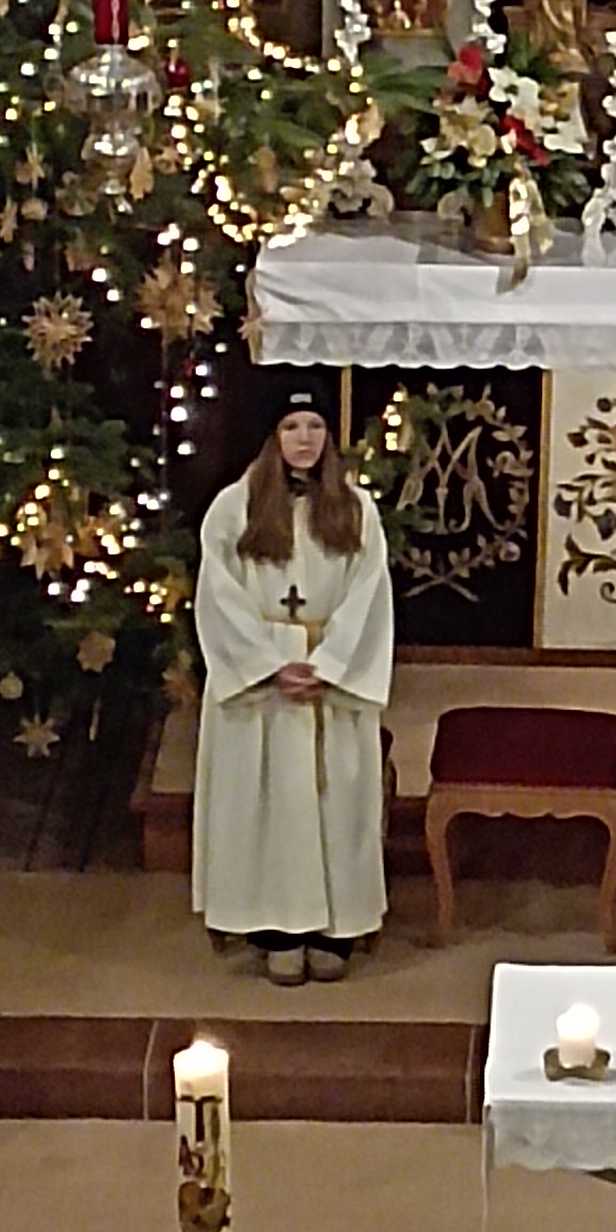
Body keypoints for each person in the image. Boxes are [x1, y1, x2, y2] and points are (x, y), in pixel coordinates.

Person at [192, 386, 395, 986]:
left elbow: (369, 594)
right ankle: (275, 930)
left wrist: (328, 665)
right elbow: (218, 593)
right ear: (271, 437)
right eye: (291, 426)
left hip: (330, 678)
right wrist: (268, 664)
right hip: (263, 684)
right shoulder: (234, 507)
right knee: (270, 807)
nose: (304, 438)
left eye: (314, 425)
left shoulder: (355, 508)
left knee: (334, 805)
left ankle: (335, 929)